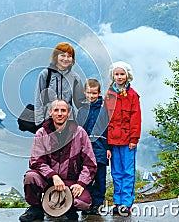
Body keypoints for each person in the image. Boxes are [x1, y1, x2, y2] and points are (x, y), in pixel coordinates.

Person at [19, 99, 97, 222]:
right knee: (30, 177)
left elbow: (90, 164)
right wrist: (53, 176)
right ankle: (36, 208)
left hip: (71, 181)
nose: (59, 114)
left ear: (69, 113)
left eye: (63, 110)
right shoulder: (42, 133)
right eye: (56, 110)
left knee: (84, 202)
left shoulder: (80, 133)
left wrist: (81, 183)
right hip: (47, 180)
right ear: (50, 112)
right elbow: (36, 161)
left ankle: (70, 211)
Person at [104, 61, 141, 216]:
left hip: (127, 141)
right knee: (116, 172)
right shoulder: (109, 95)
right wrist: (106, 145)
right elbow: (105, 120)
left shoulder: (132, 95)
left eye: (122, 74)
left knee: (128, 172)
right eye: (116, 74)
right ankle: (117, 202)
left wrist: (134, 138)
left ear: (127, 76)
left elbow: (136, 118)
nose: (119, 77)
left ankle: (126, 203)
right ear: (113, 75)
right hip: (113, 141)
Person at [76, 78, 111, 215]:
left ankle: (97, 204)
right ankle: (87, 203)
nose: (91, 96)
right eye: (89, 93)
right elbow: (78, 130)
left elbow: (108, 129)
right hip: (85, 149)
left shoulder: (104, 110)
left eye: (94, 93)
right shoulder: (82, 110)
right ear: (85, 92)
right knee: (86, 177)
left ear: (99, 93)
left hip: (100, 147)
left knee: (100, 178)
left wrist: (109, 148)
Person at [34, 42, 85, 126]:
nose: (66, 59)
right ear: (56, 56)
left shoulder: (75, 78)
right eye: (62, 55)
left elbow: (80, 102)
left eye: (69, 56)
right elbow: (38, 100)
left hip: (69, 121)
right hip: (49, 120)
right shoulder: (46, 74)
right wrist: (39, 123)